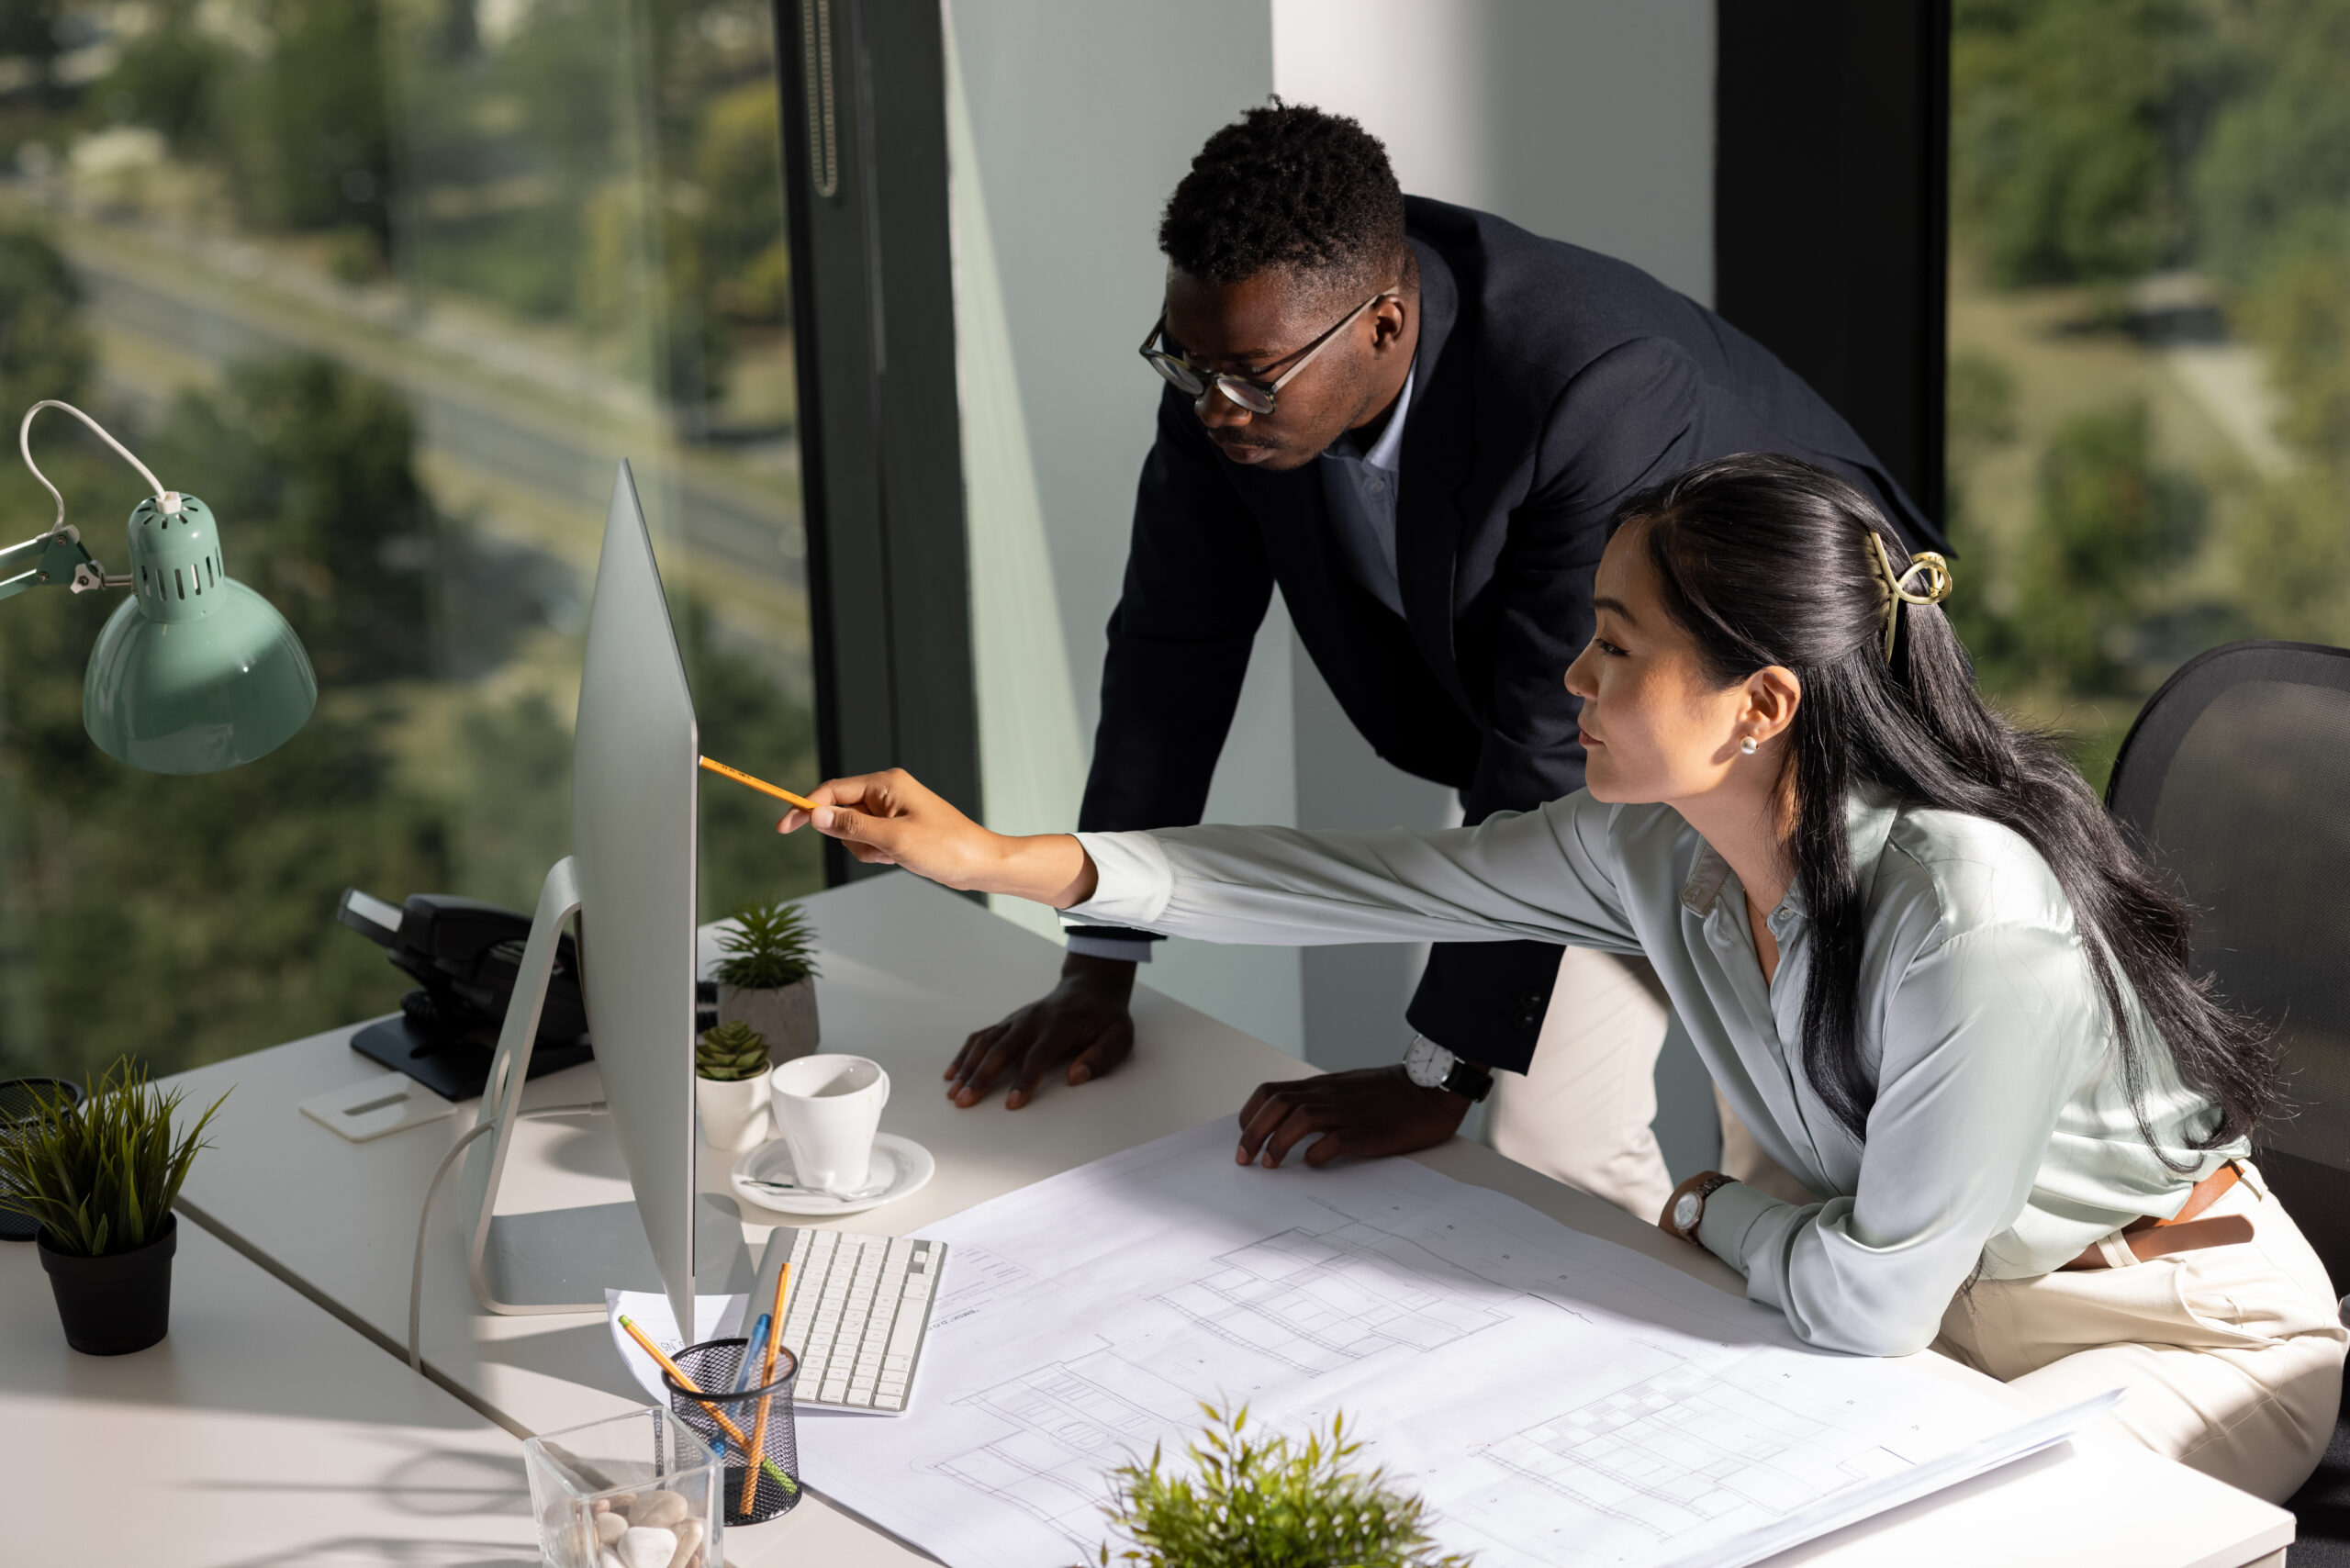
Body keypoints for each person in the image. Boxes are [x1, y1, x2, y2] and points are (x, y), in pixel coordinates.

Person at [780, 455, 2345, 1500]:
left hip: (2158, 1337)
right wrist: (1005, 861)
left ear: (1759, 704)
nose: (1572, 678)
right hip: (1921, 1310)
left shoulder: (1965, 908)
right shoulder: (1645, 848)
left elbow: (1870, 1303)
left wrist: (1701, 1207)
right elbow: (1356, 878)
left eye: (1615, 644)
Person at [947, 102, 1942, 1222]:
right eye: (1190, 364)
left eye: (1251, 378)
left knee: (1785, 1158)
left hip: (1789, 729)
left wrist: (1440, 1070)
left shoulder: (1589, 384)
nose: (1217, 410)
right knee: (1545, 1140)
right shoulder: (1238, 363)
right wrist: (1099, 962)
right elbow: (1171, 658)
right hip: (1607, 733)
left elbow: (1538, 743)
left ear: (1380, 324)